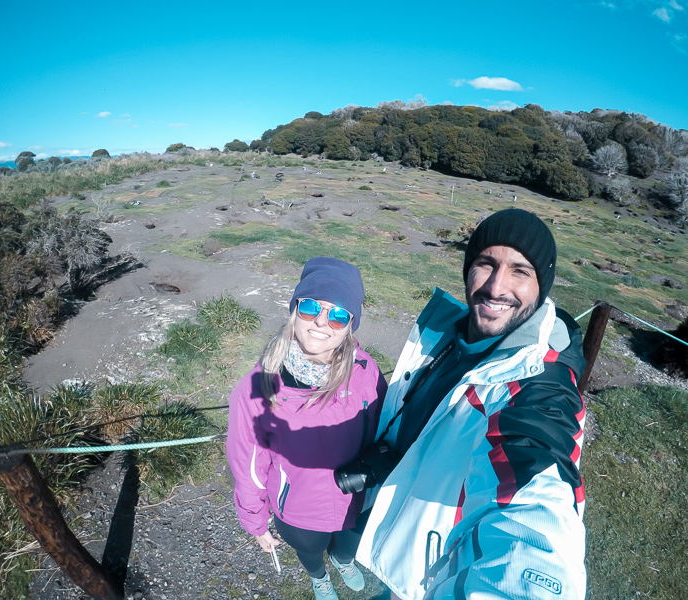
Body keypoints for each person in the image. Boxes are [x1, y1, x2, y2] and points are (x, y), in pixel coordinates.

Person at [355, 209, 587, 600]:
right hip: (396, 527)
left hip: (431, 571)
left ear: (541, 286)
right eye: (486, 264)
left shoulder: (540, 386)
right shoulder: (448, 332)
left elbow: (537, 491)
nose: (496, 287)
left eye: (520, 271)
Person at [227, 257, 387, 600]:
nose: (322, 321)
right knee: (310, 552)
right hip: (298, 510)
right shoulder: (257, 389)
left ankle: (343, 562)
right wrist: (255, 521)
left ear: (351, 324)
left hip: (357, 497)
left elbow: (383, 425)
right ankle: (318, 577)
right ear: (295, 309)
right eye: (311, 306)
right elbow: (249, 468)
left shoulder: (366, 370)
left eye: (338, 314)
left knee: (349, 546)